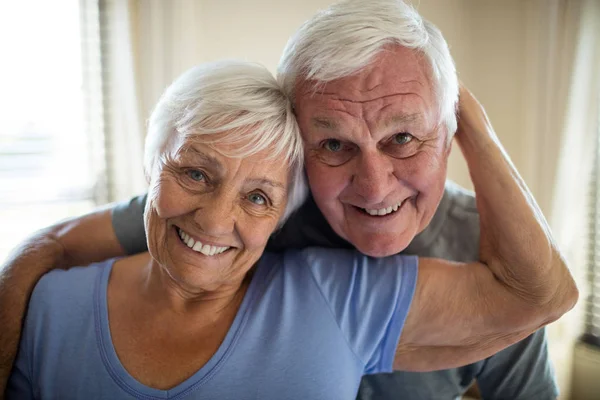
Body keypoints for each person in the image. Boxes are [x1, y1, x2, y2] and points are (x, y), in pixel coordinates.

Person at [0, 1, 568, 398]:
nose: (373, 186)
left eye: (402, 137)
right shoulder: (248, 206)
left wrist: (471, 118)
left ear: (447, 135)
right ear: (297, 149)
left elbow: (547, 298)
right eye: (334, 144)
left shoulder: (496, 253)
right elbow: (48, 246)